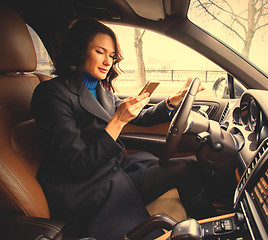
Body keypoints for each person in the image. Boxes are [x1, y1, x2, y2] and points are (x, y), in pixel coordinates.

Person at [31, 18, 216, 240]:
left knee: (187, 167)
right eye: (100, 52)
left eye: (111, 56)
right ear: (79, 51)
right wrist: (117, 121)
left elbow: (142, 117)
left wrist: (171, 102)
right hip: (84, 188)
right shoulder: (50, 94)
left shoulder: (101, 89)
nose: (107, 61)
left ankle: (213, 229)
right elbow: (78, 166)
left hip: (114, 171)